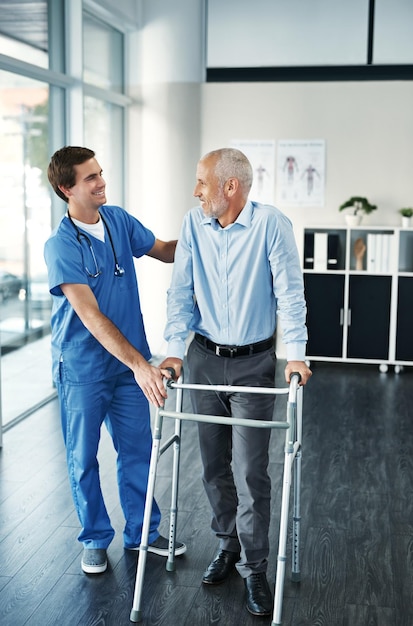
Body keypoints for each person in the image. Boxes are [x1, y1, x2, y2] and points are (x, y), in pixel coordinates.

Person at [159, 148, 311, 617]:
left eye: (202, 182)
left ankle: (256, 567)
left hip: (252, 365)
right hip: (203, 359)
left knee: (250, 470)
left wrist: (297, 356)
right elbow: (180, 291)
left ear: (231, 187)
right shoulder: (192, 224)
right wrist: (172, 346)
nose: (195, 190)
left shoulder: (271, 225)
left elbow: (289, 292)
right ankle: (228, 545)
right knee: (212, 466)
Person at [44, 146, 186, 575]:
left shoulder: (119, 220)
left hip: (127, 367)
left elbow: (164, 250)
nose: (101, 182)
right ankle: (94, 538)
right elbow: (90, 316)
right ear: (66, 188)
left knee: (137, 448)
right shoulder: (61, 246)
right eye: (90, 178)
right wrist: (142, 364)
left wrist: (209, 233)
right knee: (83, 456)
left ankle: (143, 532)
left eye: (100, 173)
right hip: (84, 367)